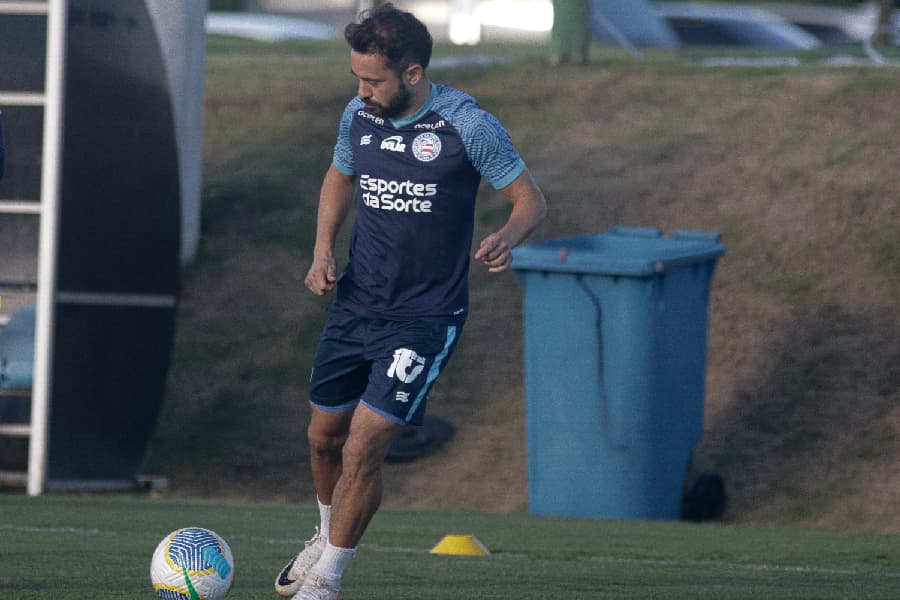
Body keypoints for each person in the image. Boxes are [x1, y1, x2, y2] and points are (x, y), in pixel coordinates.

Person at [275, 4, 547, 599]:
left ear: (413, 73)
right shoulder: (358, 116)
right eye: (356, 78)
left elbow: (530, 200)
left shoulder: (468, 126)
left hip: (425, 318)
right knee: (323, 437)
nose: (361, 91)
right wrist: (322, 252)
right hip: (356, 305)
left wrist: (507, 235)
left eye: (373, 80)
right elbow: (340, 176)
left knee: (364, 445)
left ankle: (327, 580)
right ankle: (324, 536)